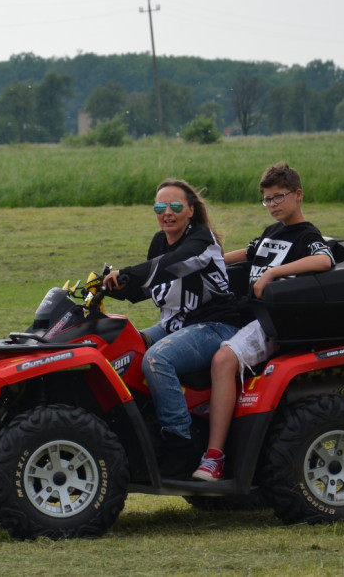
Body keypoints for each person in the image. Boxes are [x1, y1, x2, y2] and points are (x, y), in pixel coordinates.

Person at [192, 162, 334, 482]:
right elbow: (249, 252)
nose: (272, 205)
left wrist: (272, 273)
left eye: (278, 197)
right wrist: (206, 262)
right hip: (247, 314)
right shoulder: (273, 232)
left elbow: (325, 259)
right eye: (267, 199)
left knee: (223, 360)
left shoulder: (305, 234)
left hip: (272, 322)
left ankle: (214, 456)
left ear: (298, 195)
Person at [103, 179, 242, 475]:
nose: (168, 212)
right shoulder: (159, 241)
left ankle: (180, 440)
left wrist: (127, 274)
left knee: (157, 359)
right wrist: (109, 287)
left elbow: (170, 265)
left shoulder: (201, 241)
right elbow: (149, 285)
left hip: (215, 325)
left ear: (191, 211)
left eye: (176, 206)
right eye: (160, 207)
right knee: (125, 347)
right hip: (174, 324)